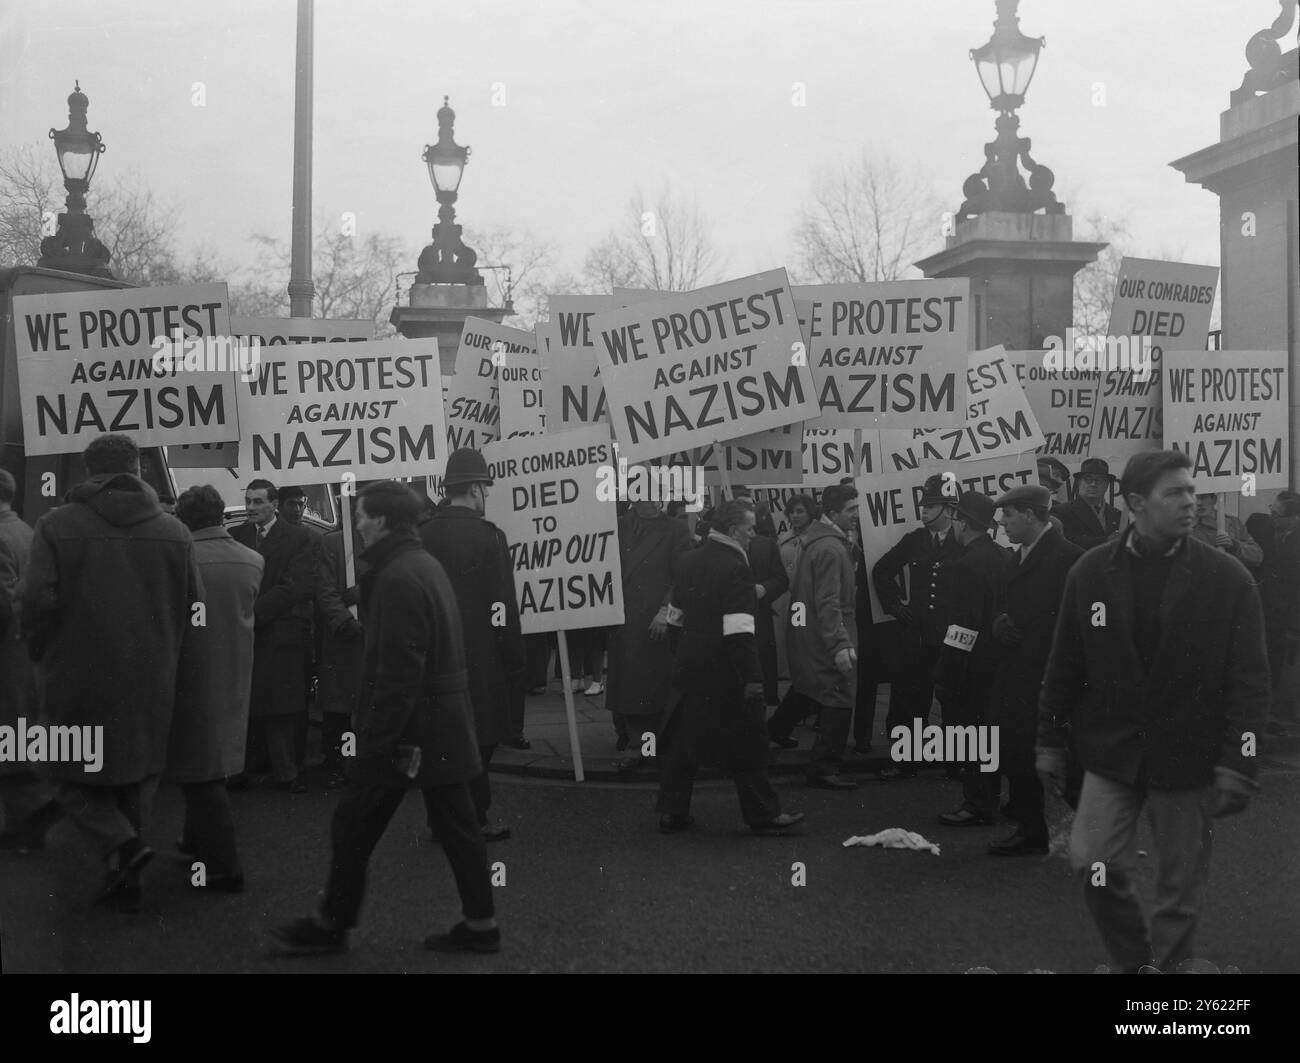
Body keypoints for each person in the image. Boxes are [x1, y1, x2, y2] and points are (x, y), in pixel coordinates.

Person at [1037, 450, 1270, 973]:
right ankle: (1136, 962)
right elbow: (1065, 663)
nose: (1191, 503)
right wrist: (1049, 741)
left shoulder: (1227, 578)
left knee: (1180, 885)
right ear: (1137, 503)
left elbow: (1250, 679)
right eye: (1176, 493)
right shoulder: (1091, 571)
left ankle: (1165, 984)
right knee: (1092, 861)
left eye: (1192, 491)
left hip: (1189, 754)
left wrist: (1241, 757)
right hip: (1114, 751)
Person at [272, 481, 498, 956]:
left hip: (409, 733)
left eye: (362, 514)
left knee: (353, 823)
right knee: (458, 827)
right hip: (442, 726)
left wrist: (374, 739)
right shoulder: (418, 565)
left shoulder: (398, 577)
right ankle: (480, 925)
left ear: (383, 521)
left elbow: (398, 675)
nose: (356, 521)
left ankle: (332, 925)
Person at [20, 434, 201, 911]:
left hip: (75, 672)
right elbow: (194, 605)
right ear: (137, 468)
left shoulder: (57, 525)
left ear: (87, 471)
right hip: (151, 674)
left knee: (61, 769)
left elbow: (35, 599)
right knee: (133, 776)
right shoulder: (176, 532)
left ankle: (122, 847)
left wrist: (42, 651)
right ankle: (126, 876)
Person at [656, 498, 804, 836]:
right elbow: (739, 631)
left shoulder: (688, 560)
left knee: (682, 742)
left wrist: (682, 655)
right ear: (735, 530)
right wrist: (753, 678)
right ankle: (763, 815)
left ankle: (672, 812)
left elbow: (675, 617)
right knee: (750, 742)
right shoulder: (737, 568)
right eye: (750, 528)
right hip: (727, 670)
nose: (753, 534)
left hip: (691, 666)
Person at [419, 448, 525, 842]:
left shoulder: (422, 534)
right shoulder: (490, 537)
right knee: (479, 740)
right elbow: (502, 608)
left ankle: (439, 820)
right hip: (479, 660)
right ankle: (475, 819)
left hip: (432, 658)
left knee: (440, 739)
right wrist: (514, 660)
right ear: (477, 488)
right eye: (485, 487)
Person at [168, 485, 263, 892]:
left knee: (199, 764)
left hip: (190, 667)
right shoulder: (253, 559)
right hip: (236, 665)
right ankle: (193, 841)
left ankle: (224, 865)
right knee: (211, 755)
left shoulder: (180, 560)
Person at [983, 485, 1082, 856]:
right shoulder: (1015, 558)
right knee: (1018, 755)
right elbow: (1000, 605)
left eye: (1008, 515)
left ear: (1029, 514)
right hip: (1015, 673)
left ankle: (1104, 830)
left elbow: (1081, 624)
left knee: (1063, 763)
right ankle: (1031, 831)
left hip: (1049, 676)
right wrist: (998, 624)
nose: (1003, 522)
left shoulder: (1070, 558)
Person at [872, 474, 962, 779]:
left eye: (931, 505)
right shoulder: (915, 540)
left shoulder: (965, 542)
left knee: (954, 699)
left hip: (953, 636)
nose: (923, 511)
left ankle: (958, 762)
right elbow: (882, 571)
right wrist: (897, 607)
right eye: (923, 504)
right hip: (918, 635)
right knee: (909, 698)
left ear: (949, 509)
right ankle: (905, 760)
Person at [231, 479, 317, 793]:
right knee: (245, 702)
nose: (250, 507)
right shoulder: (237, 535)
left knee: (280, 706)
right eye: (248, 501)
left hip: (277, 630)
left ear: (273, 504)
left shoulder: (298, 537)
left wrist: (251, 612)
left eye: (257, 502)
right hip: (247, 631)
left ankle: (286, 772)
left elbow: (298, 585)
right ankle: (243, 768)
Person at [933, 493, 1011, 824]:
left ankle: (977, 804)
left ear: (962, 522)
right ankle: (990, 800)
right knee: (989, 734)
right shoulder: (1001, 555)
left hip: (971, 664)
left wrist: (948, 671)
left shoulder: (965, 564)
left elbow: (961, 626)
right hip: (997, 660)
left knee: (970, 736)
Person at [0, 469, 64, 853]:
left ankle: (38, 813)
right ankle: (28, 827)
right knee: (15, 739)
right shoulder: (26, 530)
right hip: (25, 652)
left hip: (6, 653)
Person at [605, 498, 694, 770]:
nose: (655, 502)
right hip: (624, 619)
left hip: (656, 620)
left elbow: (684, 575)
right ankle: (635, 741)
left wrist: (667, 611)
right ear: (633, 497)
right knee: (630, 687)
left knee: (650, 689)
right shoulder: (616, 526)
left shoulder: (677, 528)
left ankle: (644, 747)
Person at [783, 483, 861, 790]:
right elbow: (829, 601)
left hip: (812, 634)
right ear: (832, 513)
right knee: (839, 694)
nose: (856, 515)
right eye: (851, 510)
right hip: (828, 635)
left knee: (812, 689)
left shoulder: (818, 542)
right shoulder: (830, 547)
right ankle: (825, 767)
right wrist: (840, 644)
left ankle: (776, 735)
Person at [317, 494, 367, 790]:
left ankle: (367, 763)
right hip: (344, 639)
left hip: (375, 638)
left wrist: (364, 590)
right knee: (340, 709)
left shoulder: (385, 545)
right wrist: (343, 620)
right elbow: (323, 589)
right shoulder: (332, 543)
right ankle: (340, 764)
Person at [1255, 492, 1300, 731]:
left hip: (1287, 616)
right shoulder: (1261, 528)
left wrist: (1294, 626)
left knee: (1283, 664)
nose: (1271, 517)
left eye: (1277, 515)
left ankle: (1280, 714)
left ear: (1294, 518)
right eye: (1271, 511)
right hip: (1261, 608)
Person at [1054, 458, 1121, 551]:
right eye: (1088, 479)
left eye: (1099, 480)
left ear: (1107, 485)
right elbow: (1064, 544)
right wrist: (1106, 540)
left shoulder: (1118, 515)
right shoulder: (1062, 511)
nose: (1093, 484)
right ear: (1079, 482)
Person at [1190, 493, 1262, 569]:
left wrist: (1234, 546)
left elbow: (1256, 556)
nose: (1199, 503)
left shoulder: (1233, 522)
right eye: (1193, 498)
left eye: (1203, 497)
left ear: (1214, 499)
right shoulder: (1186, 528)